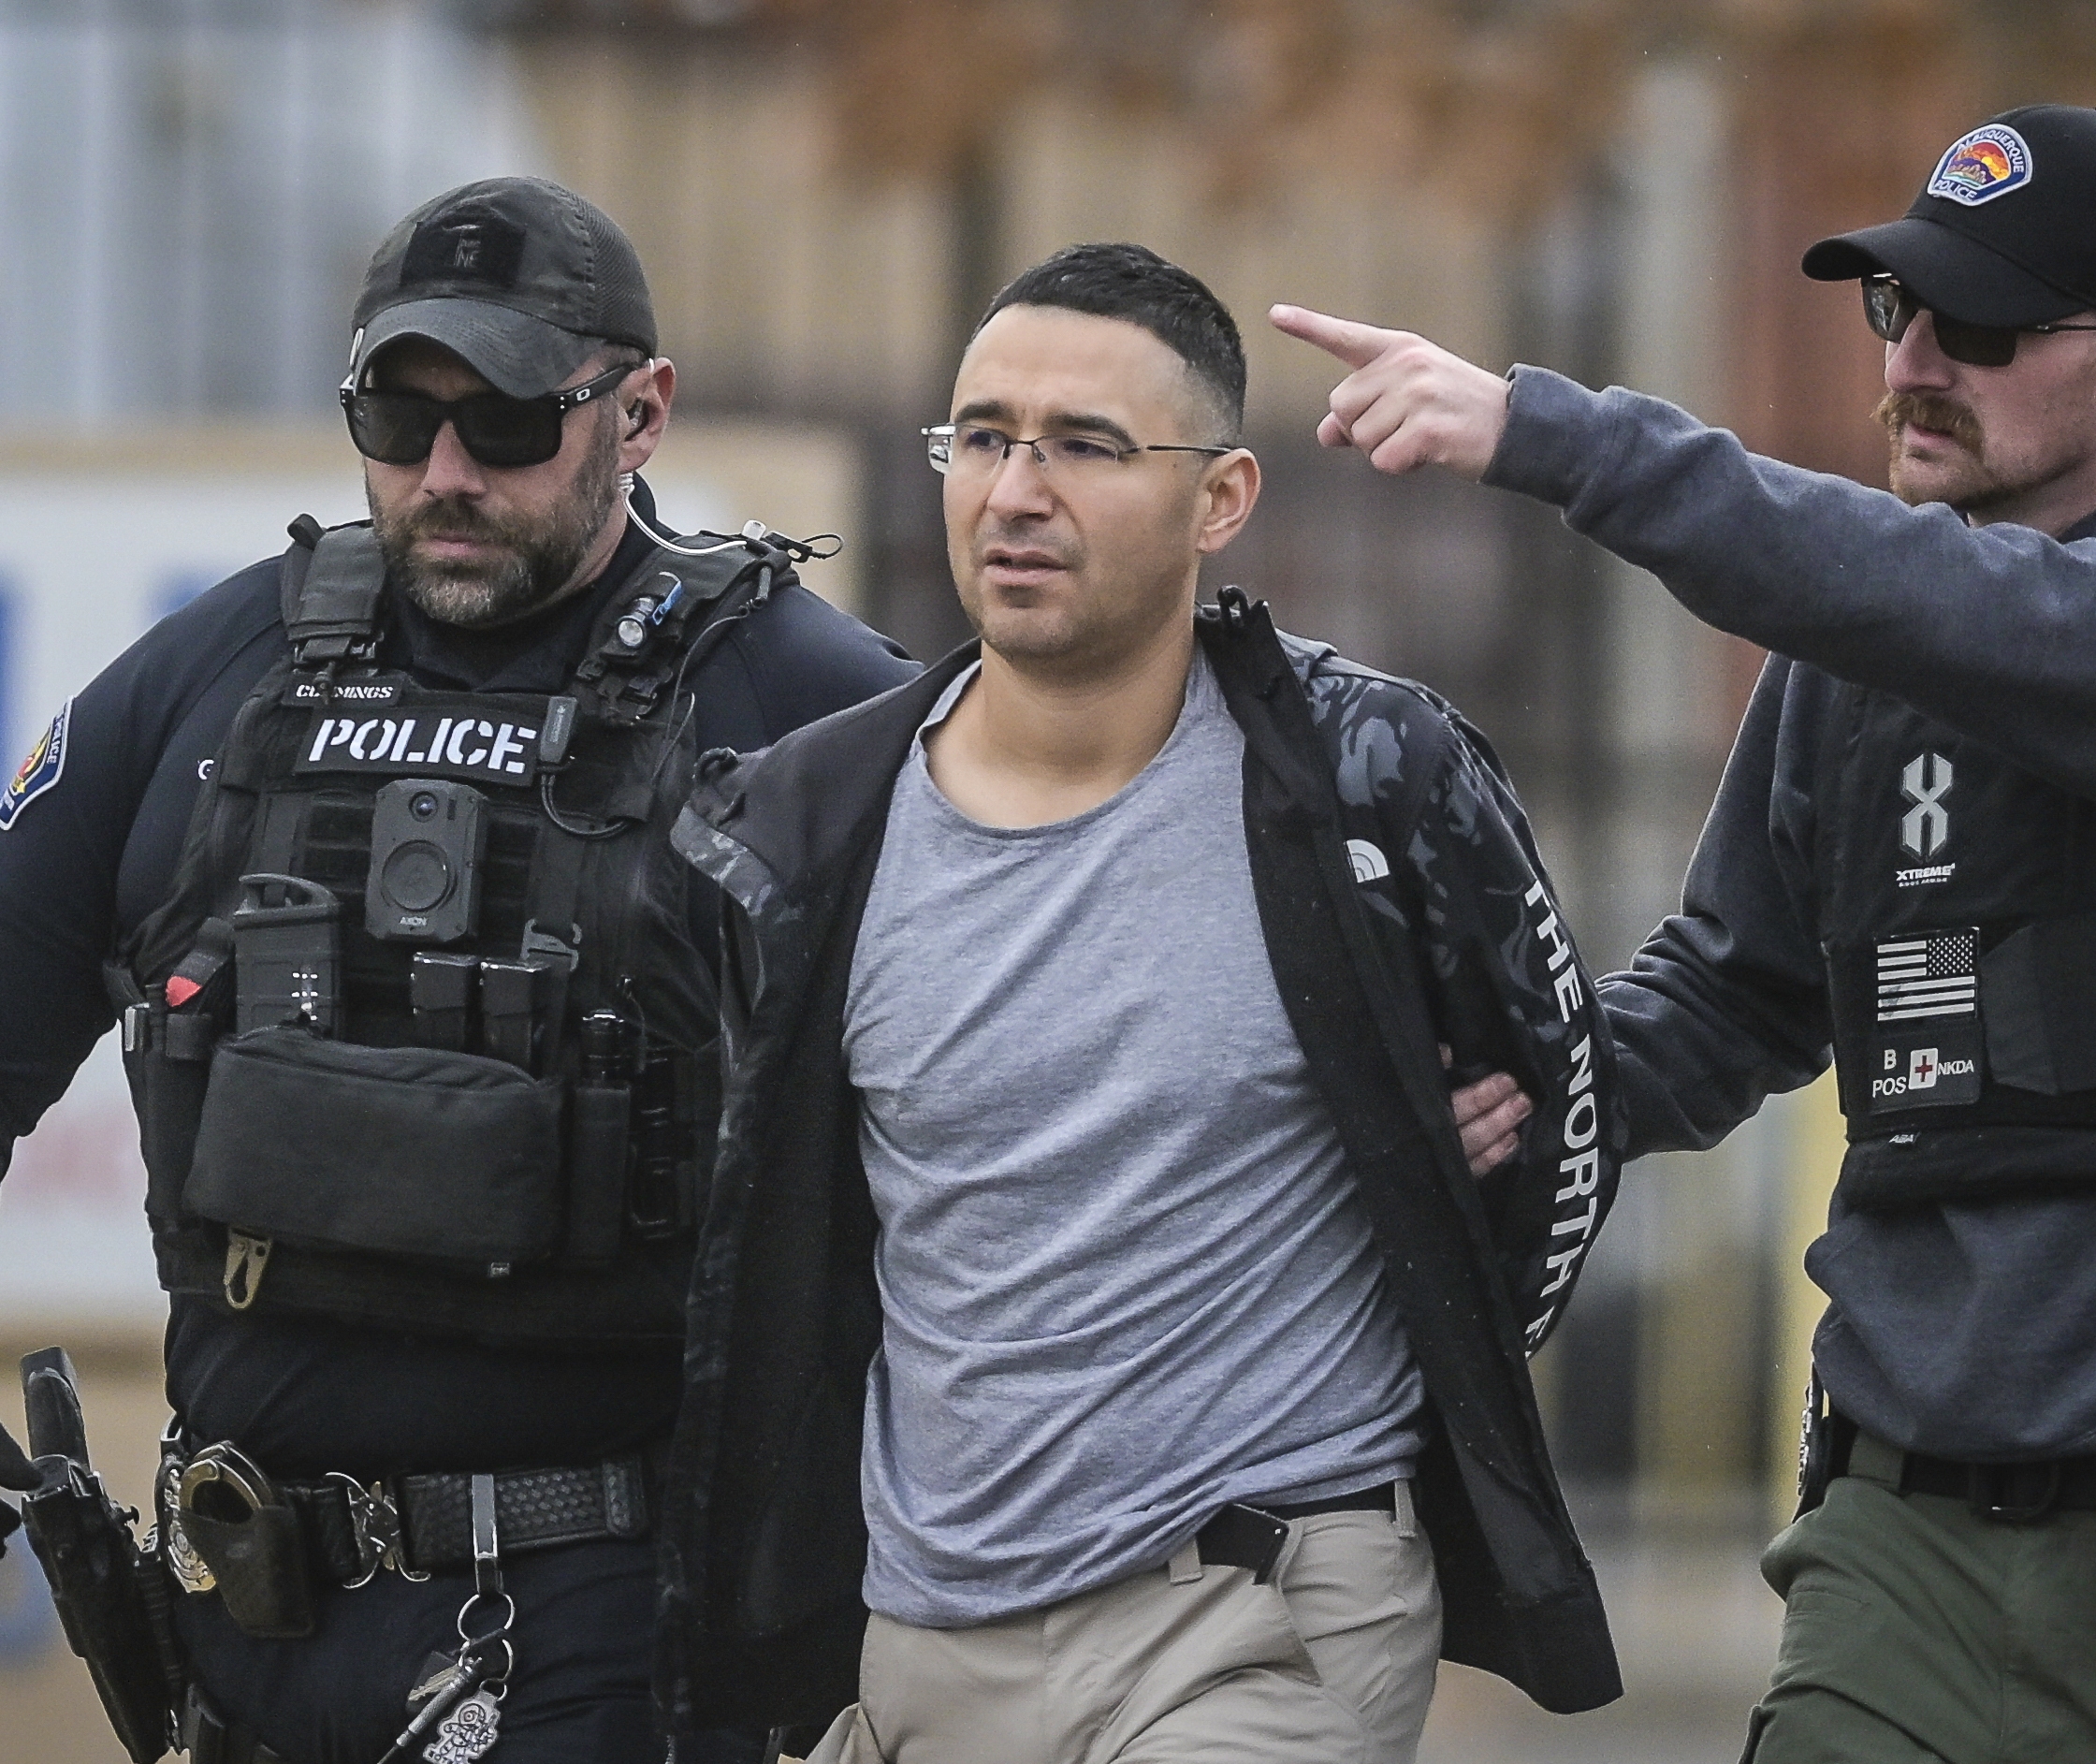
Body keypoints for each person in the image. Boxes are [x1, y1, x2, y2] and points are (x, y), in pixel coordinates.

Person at [1276, 101, 2096, 1762]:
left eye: (1978, 327)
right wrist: (1542, 1083)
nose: (1914, 360)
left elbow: (1991, 623)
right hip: (1896, 1528)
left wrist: (1558, 437)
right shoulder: (1858, 634)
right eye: (1890, 309)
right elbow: (1732, 990)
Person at [650, 242, 1624, 1763]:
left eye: (1086, 446)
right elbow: (775, 1236)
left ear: (1220, 498)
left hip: (1257, 1621)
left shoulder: (1371, 780)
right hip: (916, 1643)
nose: (1014, 489)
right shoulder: (802, 824)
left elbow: (1556, 1116)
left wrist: (1429, 1282)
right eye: (982, 436)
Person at [0, 176, 917, 1764]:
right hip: (245, 1618)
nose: (440, 473)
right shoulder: (213, 677)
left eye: (501, 422)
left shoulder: (807, 706)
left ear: (639, 414)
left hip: (604, 1627)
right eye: (393, 414)